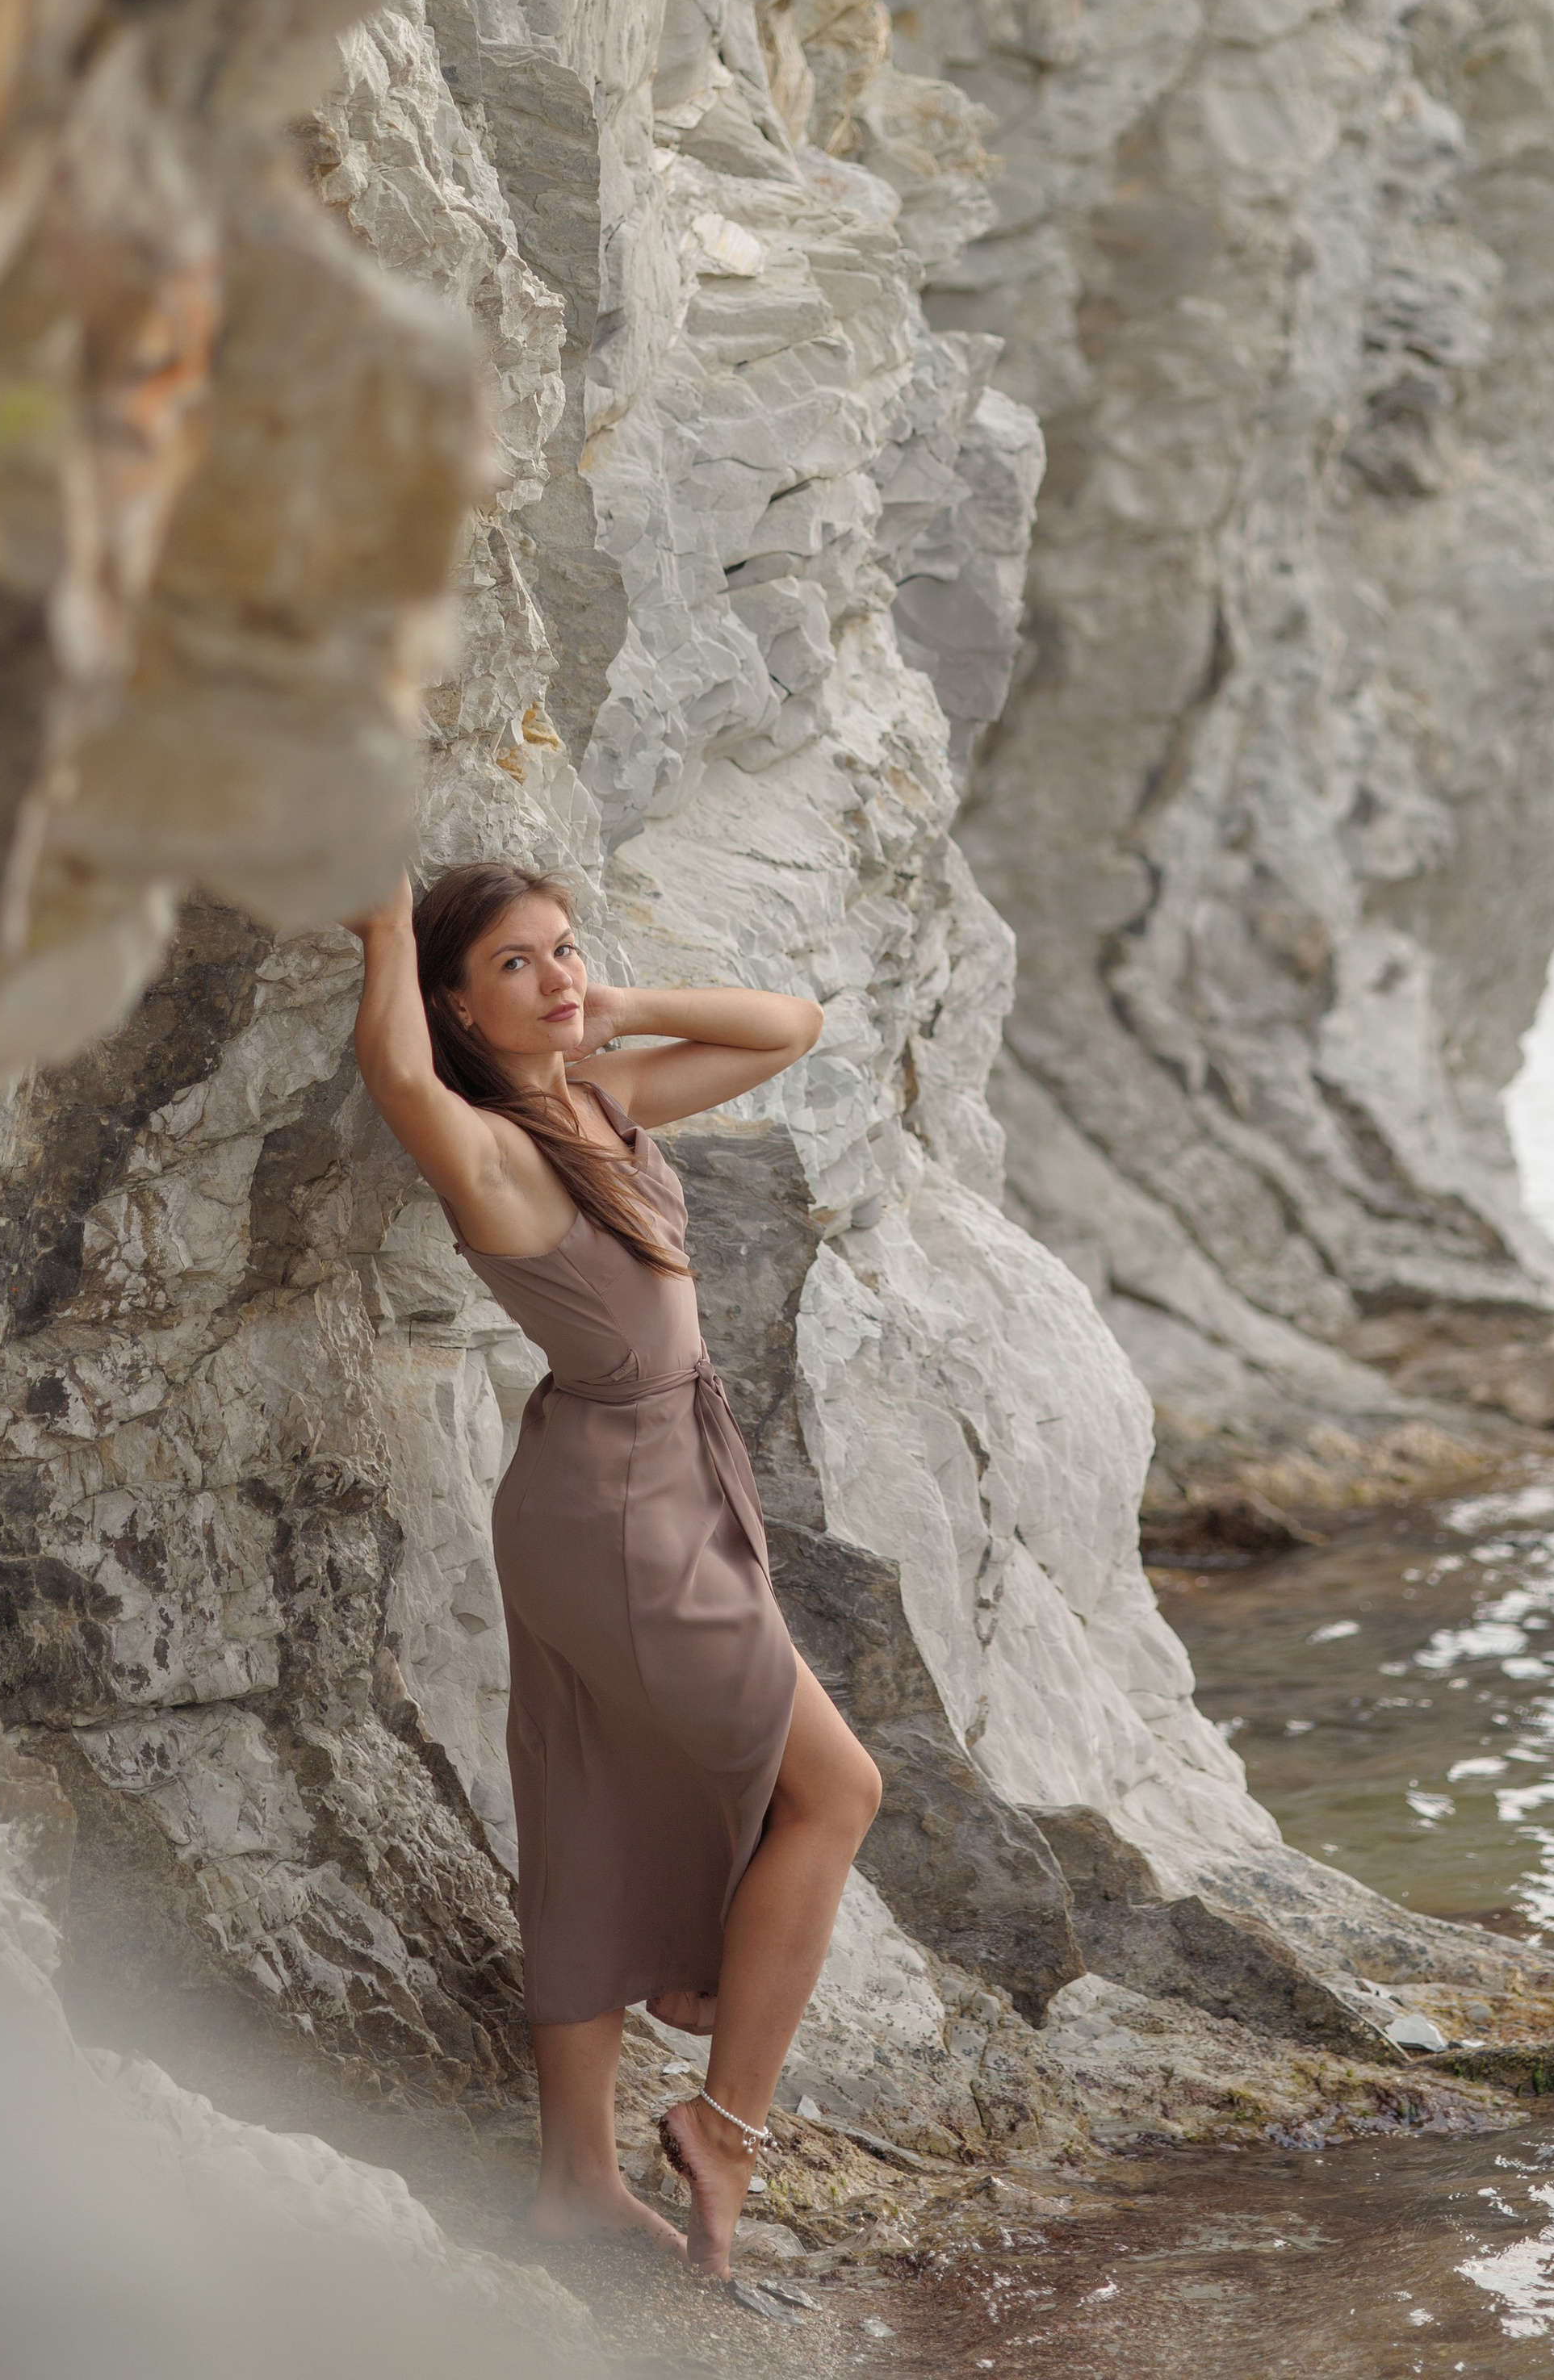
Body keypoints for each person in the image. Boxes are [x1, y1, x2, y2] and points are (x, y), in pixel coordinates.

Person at [344, 863, 881, 2278]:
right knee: (835, 1791)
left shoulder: (595, 1103)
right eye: (514, 967)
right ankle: (727, 2125)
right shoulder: (491, 1148)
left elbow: (791, 1024)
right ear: (458, 1004)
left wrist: (600, 1002)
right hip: (624, 1511)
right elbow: (394, 1068)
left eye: (563, 949)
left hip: (637, 1488)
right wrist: (388, 926)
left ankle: (575, 2179)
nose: (556, 977)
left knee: (582, 1811)